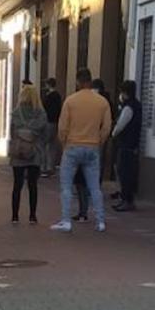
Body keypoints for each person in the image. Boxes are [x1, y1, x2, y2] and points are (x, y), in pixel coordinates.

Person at [52, 68, 112, 233]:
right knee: (94, 187)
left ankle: (66, 220)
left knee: (66, 186)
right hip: (93, 147)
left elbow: (62, 127)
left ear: (78, 82)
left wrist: (64, 142)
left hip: (72, 146)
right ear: (91, 81)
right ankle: (100, 221)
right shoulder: (102, 102)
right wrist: (99, 140)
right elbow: (107, 127)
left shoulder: (70, 101)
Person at [8, 83, 47, 224]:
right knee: (32, 185)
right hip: (34, 152)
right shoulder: (41, 114)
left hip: (18, 151)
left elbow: (12, 133)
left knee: (17, 185)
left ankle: (15, 216)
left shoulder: (16, 113)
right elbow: (45, 134)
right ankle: (32, 216)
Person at [111, 81, 142, 212]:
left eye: (121, 92)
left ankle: (127, 200)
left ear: (125, 92)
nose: (120, 94)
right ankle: (126, 199)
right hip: (133, 145)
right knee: (128, 173)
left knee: (125, 173)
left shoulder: (129, 107)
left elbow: (120, 125)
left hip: (126, 145)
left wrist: (113, 133)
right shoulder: (137, 105)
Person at [41, 78, 63, 177]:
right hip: (56, 122)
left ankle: (44, 167)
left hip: (48, 122)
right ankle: (51, 167)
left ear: (48, 85)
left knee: (44, 144)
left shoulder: (48, 96)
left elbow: (43, 108)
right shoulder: (58, 96)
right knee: (53, 145)